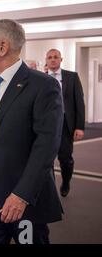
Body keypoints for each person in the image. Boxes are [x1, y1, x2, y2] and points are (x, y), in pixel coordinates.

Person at [0, 19, 63, 244]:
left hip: (25, 205)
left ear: (3, 47)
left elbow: (46, 146)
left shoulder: (43, 86)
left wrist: (22, 195)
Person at [46, 48, 85, 197]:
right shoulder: (41, 78)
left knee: (65, 158)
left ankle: (66, 181)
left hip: (64, 124)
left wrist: (79, 126)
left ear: (61, 59)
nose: (53, 59)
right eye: (50, 57)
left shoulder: (71, 77)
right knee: (45, 157)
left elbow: (79, 103)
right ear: (46, 60)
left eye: (56, 57)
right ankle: (48, 187)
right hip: (45, 125)